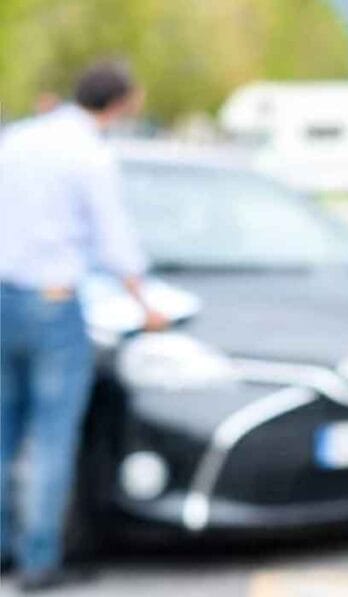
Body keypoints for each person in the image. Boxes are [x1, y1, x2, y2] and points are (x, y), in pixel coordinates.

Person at [0, 60, 167, 591]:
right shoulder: (90, 156)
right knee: (51, 436)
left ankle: (4, 545)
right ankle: (39, 560)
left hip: (3, 298)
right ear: (122, 103)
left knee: (2, 431)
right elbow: (115, 241)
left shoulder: (19, 139)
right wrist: (145, 304)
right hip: (52, 304)